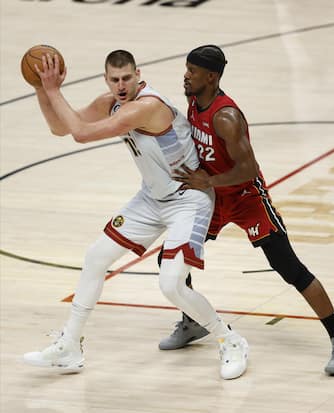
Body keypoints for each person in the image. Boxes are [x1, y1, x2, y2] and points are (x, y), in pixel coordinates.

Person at [22, 49, 249, 380]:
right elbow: (62, 127)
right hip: (152, 199)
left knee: (171, 284)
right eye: (114, 79)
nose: (121, 85)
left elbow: (82, 134)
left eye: (127, 77)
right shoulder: (109, 101)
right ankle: (70, 344)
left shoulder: (148, 106)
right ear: (107, 80)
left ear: (139, 74)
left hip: (189, 200)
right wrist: (42, 88)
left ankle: (231, 339)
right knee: (96, 256)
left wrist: (54, 90)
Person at [158, 45, 334, 376]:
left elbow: (248, 169)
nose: (185, 75)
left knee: (289, 268)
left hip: (245, 197)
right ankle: (193, 320)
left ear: (211, 77)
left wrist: (207, 180)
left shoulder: (227, 117)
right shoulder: (194, 99)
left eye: (192, 71)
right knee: (170, 258)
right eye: (186, 69)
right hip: (214, 198)